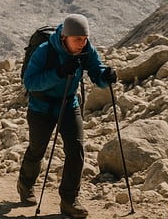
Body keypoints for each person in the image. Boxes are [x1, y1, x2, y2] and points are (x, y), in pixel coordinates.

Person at [17, 13, 118, 218]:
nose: (82, 44)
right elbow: (30, 82)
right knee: (37, 149)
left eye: (84, 39)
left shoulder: (85, 49)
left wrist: (105, 77)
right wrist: (59, 73)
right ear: (64, 37)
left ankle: (69, 199)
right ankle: (25, 184)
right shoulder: (45, 51)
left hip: (68, 103)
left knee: (76, 148)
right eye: (77, 40)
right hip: (41, 108)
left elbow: (95, 70)